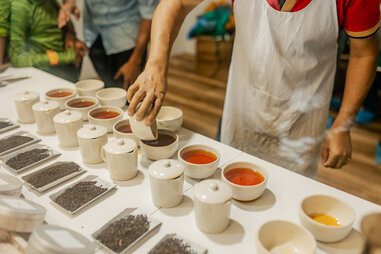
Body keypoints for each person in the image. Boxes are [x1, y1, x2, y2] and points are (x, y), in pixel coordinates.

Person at [127, 0, 380, 178]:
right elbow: (176, 3)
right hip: (241, 110)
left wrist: (343, 124)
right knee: (228, 187)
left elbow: (364, 53)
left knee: (285, 208)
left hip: (301, 124)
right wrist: (156, 64)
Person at [58, 0, 158, 89]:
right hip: (94, 36)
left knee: (130, 96)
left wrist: (136, 60)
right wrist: (69, 3)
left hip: (128, 43)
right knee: (109, 93)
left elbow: (149, 12)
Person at [8, 0, 87, 82]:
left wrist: (71, 34)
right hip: (46, 75)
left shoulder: (48, 2)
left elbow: (62, 23)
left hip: (68, 70)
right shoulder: (22, 7)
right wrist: (64, 57)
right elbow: (17, 58)